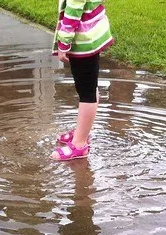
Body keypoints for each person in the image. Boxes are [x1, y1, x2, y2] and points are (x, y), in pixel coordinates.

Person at [51, 0, 114, 161]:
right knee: (89, 86)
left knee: (86, 92)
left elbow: (73, 12)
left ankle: (79, 144)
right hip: (91, 34)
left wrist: (63, 43)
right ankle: (82, 132)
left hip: (82, 41)